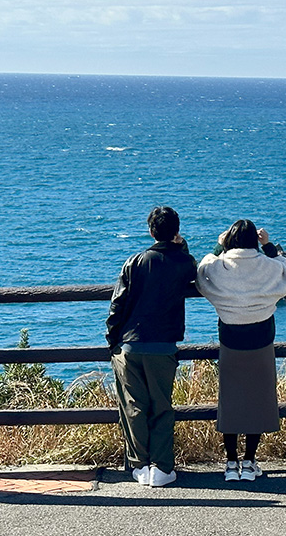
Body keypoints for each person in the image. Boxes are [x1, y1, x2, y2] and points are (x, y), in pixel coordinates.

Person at [195, 219, 286, 483]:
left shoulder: (220, 266)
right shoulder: (267, 266)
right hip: (261, 338)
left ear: (230, 240)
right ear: (254, 240)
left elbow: (201, 271)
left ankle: (230, 464)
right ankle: (249, 463)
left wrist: (218, 245)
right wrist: (268, 245)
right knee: (257, 401)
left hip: (230, 339)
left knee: (231, 400)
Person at [105, 206, 197, 487]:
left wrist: (113, 340)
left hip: (130, 345)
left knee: (134, 407)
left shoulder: (134, 261)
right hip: (163, 344)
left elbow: (116, 305)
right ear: (176, 232)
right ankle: (163, 467)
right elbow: (191, 268)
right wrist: (183, 245)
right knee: (162, 407)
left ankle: (140, 465)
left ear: (150, 231)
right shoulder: (183, 263)